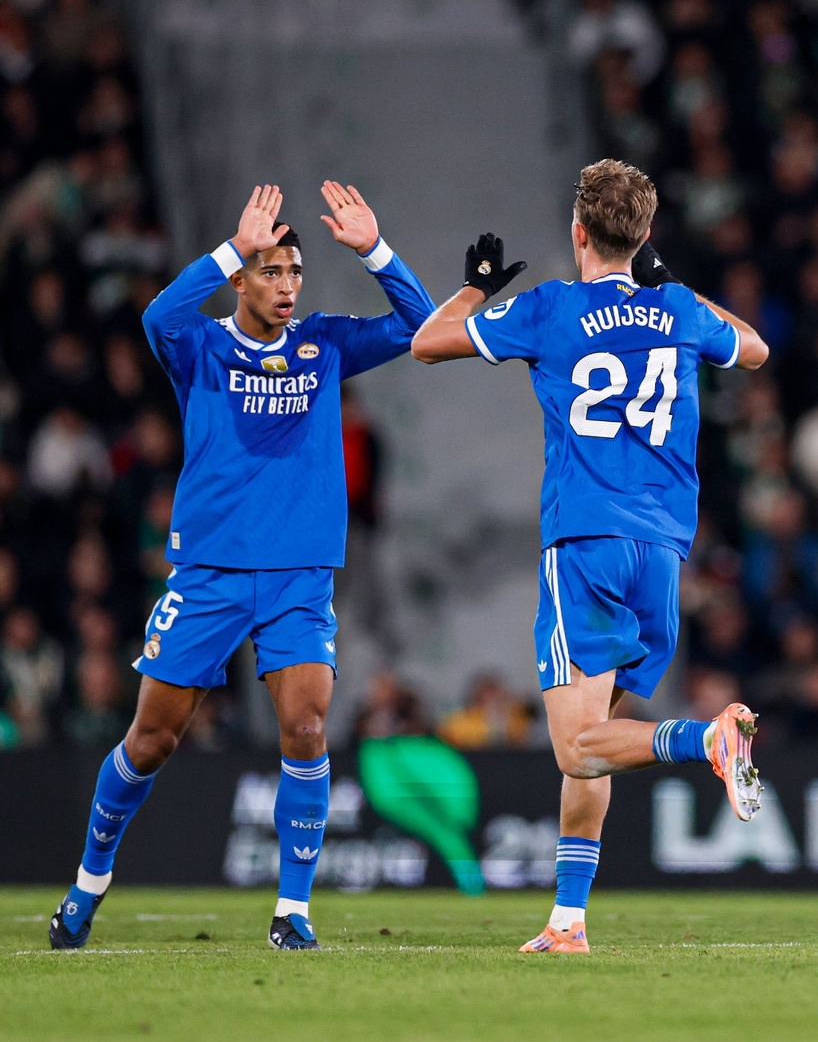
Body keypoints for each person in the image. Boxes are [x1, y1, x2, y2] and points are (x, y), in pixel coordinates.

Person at [49, 181, 435, 952]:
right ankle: (89, 881)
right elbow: (158, 314)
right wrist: (232, 243)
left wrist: (375, 250)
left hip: (300, 576)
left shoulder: (323, 343)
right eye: (270, 271)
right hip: (210, 575)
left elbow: (422, 327)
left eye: (295, 271)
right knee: (152, 739)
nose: (288, 285)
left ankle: (292, 909)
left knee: (307, 724)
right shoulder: (199, 349)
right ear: (239, 279)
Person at [411, 158, 768, 954]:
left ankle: (705, 740)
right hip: (662, 554)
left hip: (585, 542)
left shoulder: (550, 309)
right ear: (644, 235)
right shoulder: (677, 307)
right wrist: (672, 284)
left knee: (576, 742)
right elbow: (754, 350)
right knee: (595, 741)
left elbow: (426, 344)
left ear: (578, 232)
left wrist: (474, 287)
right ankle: (567, 920)